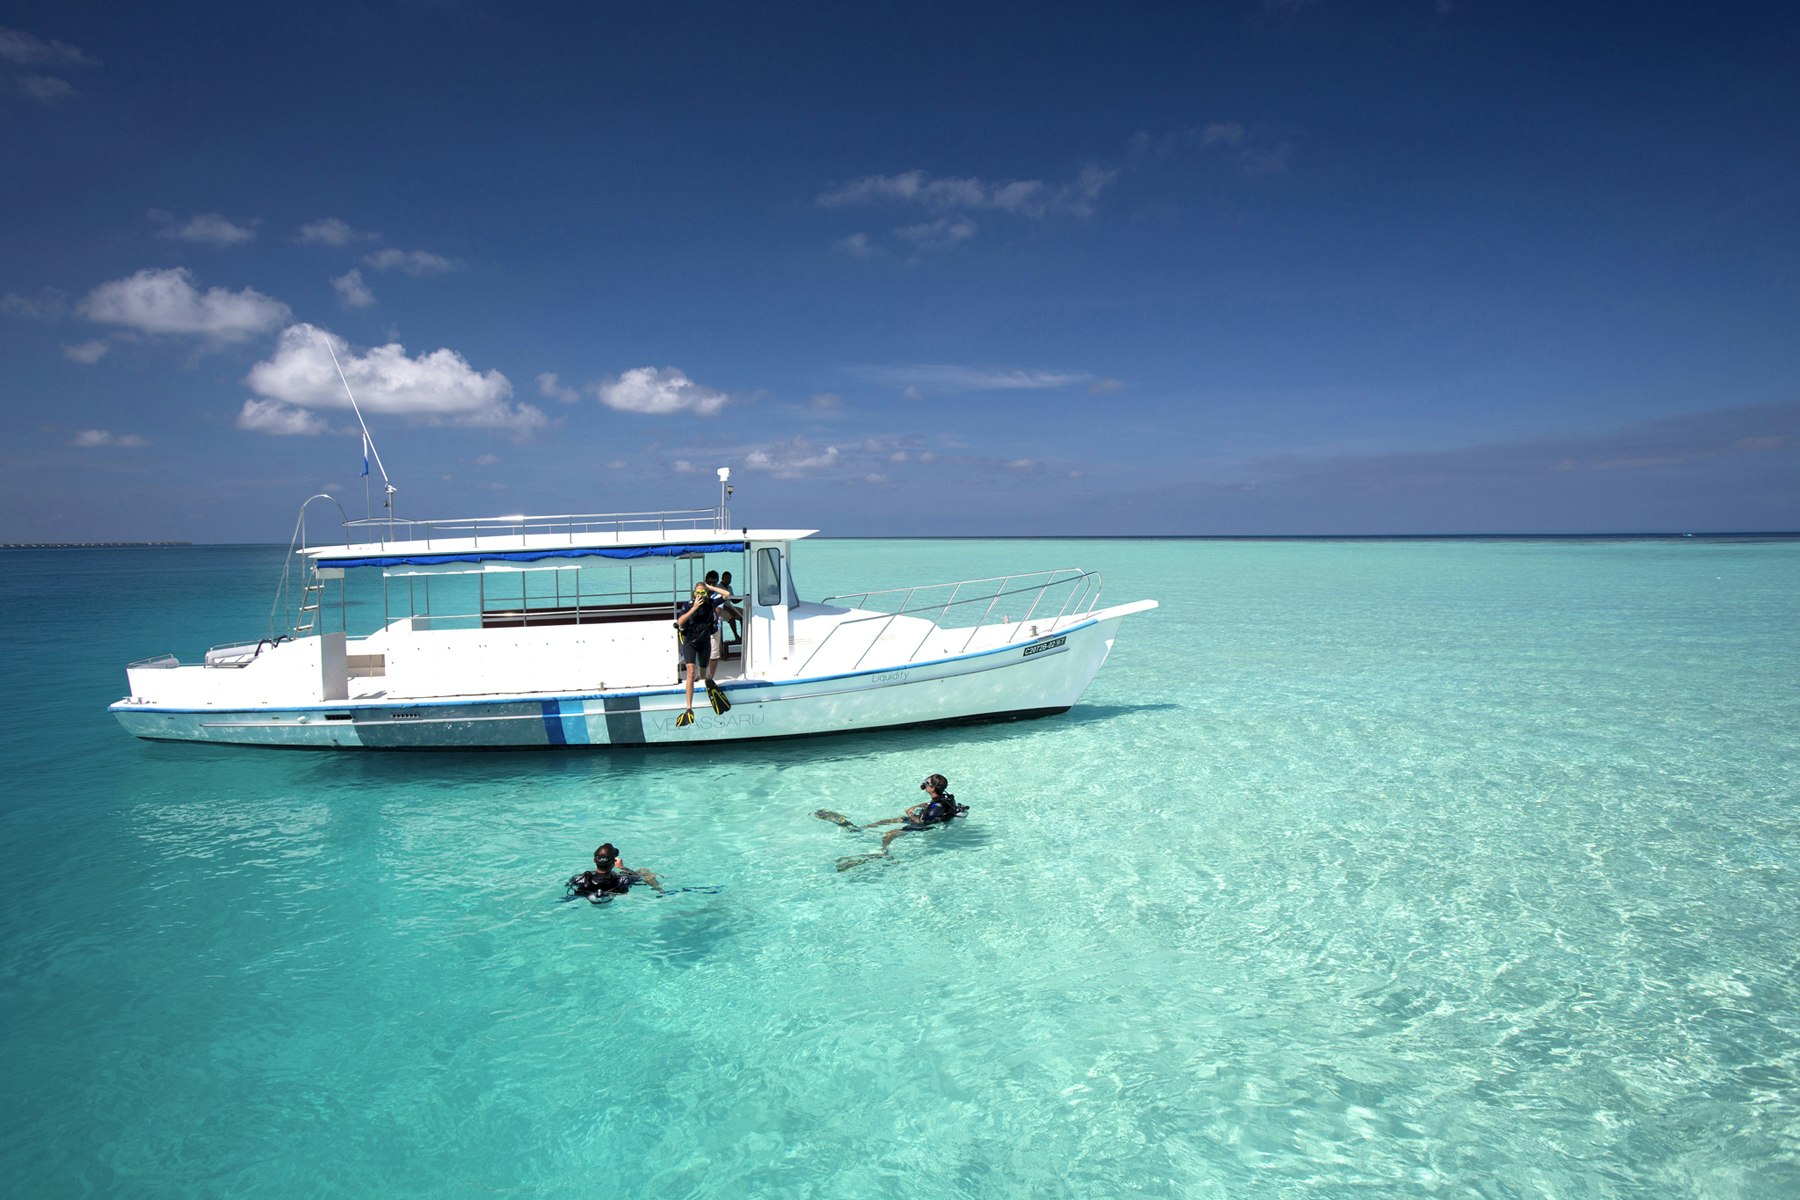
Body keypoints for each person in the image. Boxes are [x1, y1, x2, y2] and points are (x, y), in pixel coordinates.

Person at [816, 773, 967, 870]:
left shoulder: (938, 806)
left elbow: (923, 823)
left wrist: (910, 814)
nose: (924, 784)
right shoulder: (941, 798)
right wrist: (916, 806)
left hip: (925, 825)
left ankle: (882, 851)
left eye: (927, 783)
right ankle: (860, 829)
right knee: (890, 820)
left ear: (932, 787)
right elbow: (929, 805)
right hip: (926, 818)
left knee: (890, 833)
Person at [673, 579, 732, 725]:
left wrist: (710, 587)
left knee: (704, 675)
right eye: (698, 592)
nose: (700, 595)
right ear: (694, 593)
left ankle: (708, 683)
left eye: (703, 592)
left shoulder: (710, 603)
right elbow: (679, 622)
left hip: (704, 642)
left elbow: (726, 594)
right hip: (690, 643)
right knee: (691, 671)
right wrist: (693, 608)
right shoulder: (688, 604)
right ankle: (688, 707)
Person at [566, 842, 663, 901]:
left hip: (586, 896)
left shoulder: (580, 878)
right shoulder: (622, 879)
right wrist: (623, 867)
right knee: (644, 871)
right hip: (615, 894)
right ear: (614, 861)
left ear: (594, 860)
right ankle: (662, 892)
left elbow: (568, 884)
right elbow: (640, 877)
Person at [717, 570, 743, 647]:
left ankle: (743, 636)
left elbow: (733, 601)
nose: (728, 580)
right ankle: (736, 636)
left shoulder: (730, 587)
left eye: (730, 578)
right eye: (727, 578)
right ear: (722, 578)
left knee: (744, 614)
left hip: (729, 606)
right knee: (731, 617)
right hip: (721, 608)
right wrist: (729, 610)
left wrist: (743, 597)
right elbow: (719, 602)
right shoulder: (718, 587)